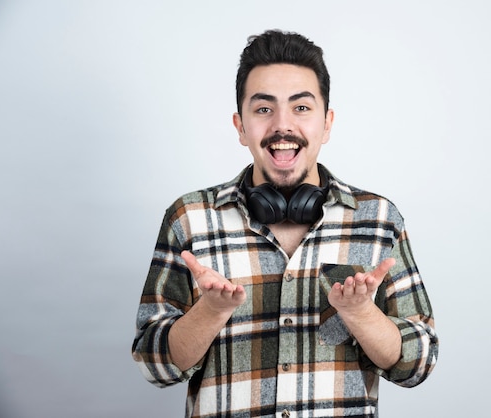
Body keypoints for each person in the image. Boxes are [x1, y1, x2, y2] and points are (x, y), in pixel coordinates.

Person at [132, 29, 438, 418]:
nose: (282, 125)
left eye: (301, 108)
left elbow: (419, 363)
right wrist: (208, 312)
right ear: (240, 126)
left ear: (326, 124)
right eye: (263, 109)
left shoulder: (378, 219)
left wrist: (362, 314)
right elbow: (152, 365)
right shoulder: (189, 219)